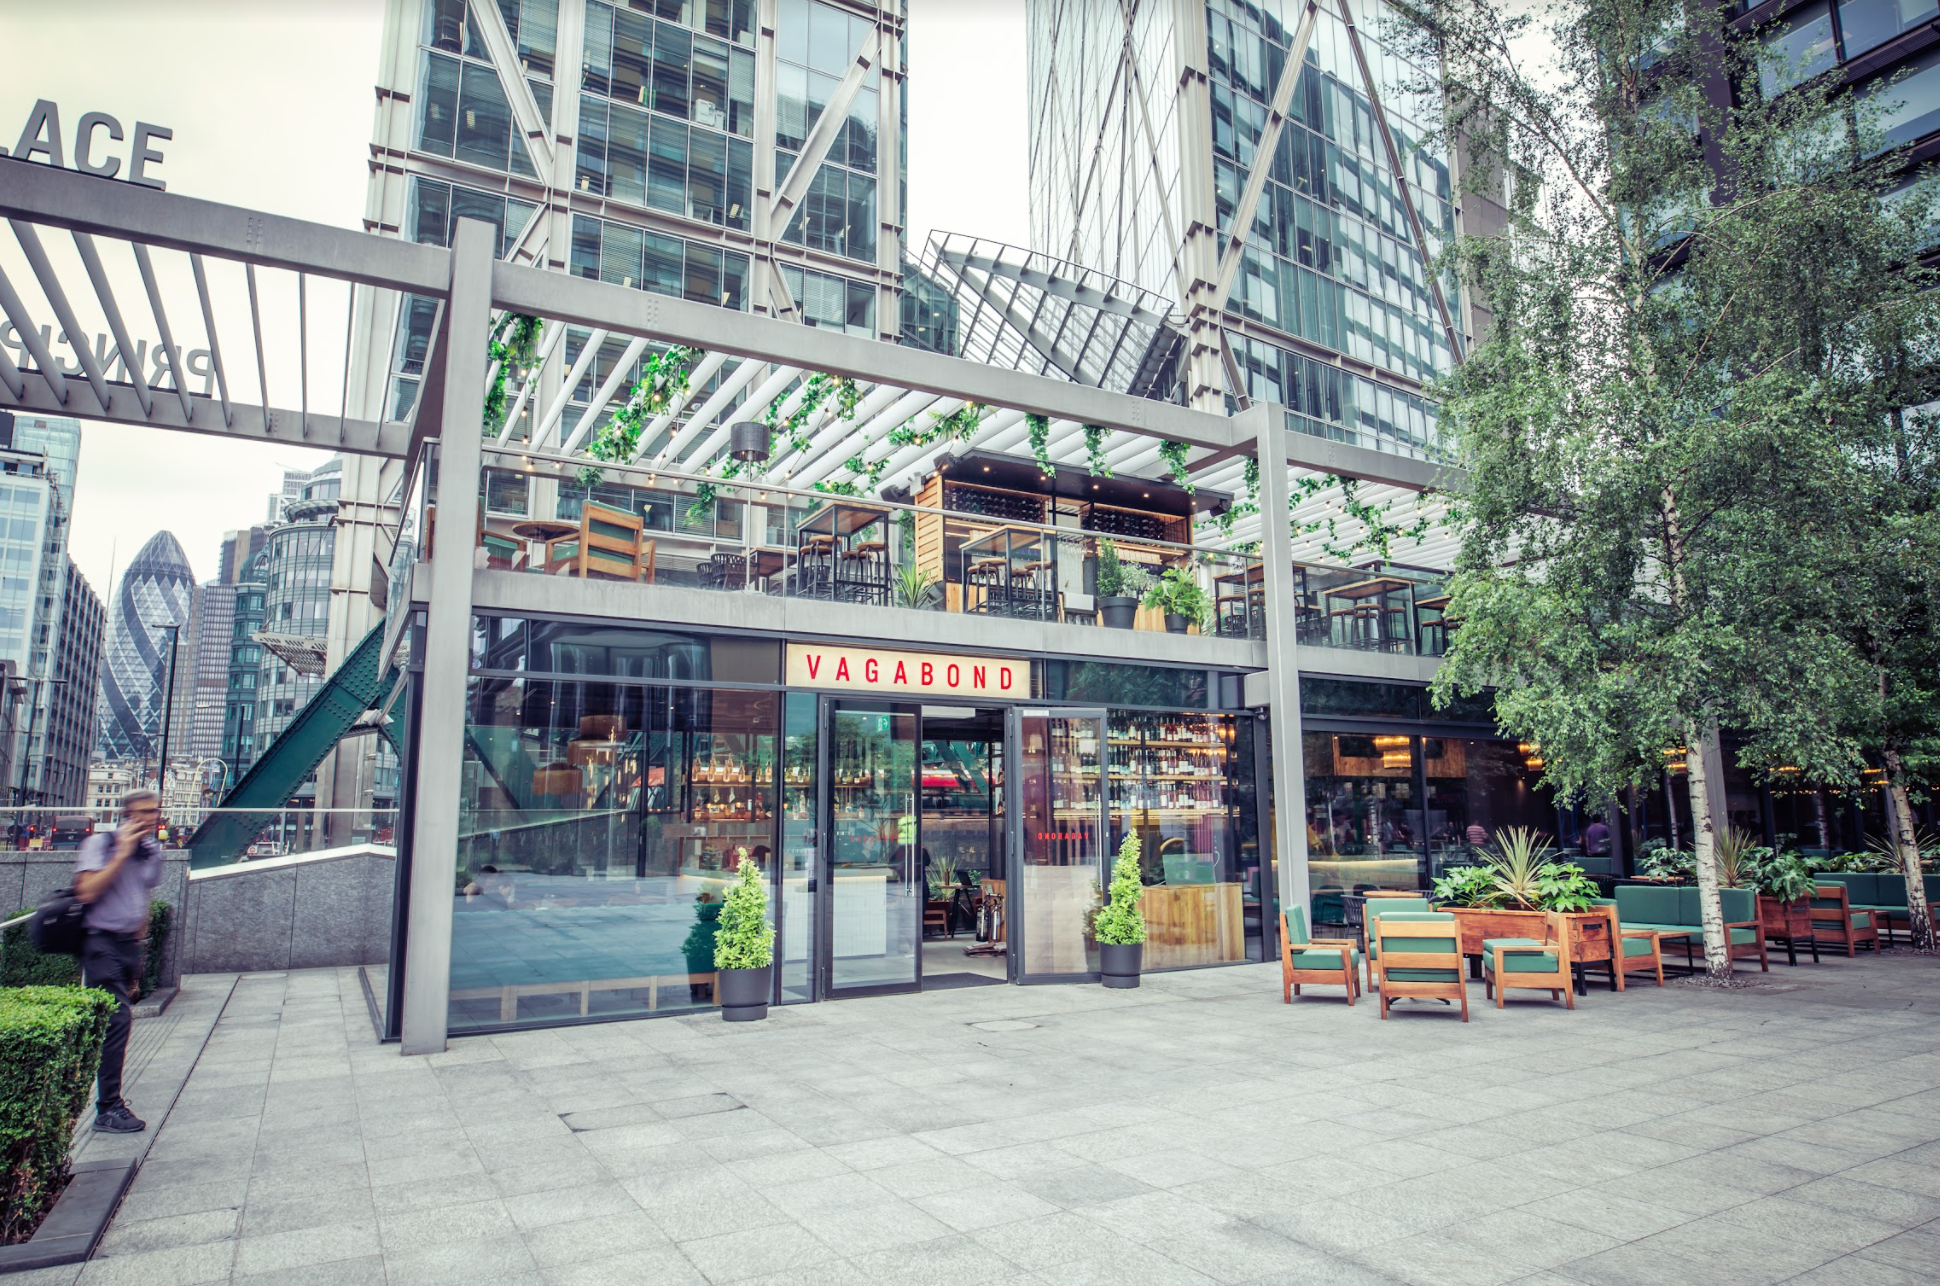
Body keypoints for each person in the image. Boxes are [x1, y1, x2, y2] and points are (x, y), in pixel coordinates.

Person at [74, 789, 166, 1134]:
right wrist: (123, 852)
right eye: (142, 811)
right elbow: (87, 891)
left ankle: (99, 1091)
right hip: (100, 942)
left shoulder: (151, 851)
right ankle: (108, 1108)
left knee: (110, 1021)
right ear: (127, 813)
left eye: (154, 810)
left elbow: (142, 893)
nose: (150, 816)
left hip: (129, 945)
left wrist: (140, 943)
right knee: (117, 1021)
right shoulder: (101, 845)